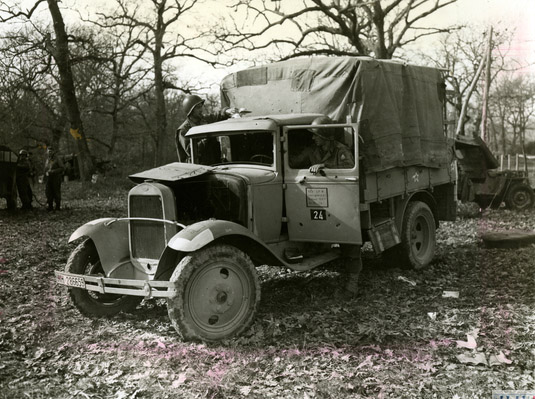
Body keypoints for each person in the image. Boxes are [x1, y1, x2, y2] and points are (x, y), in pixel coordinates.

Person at [175, 95, 233, 163]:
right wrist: (204, 140)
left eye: (201, 106)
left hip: (214, 163)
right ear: (191, 111)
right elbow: (190, 151)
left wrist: (226, 111)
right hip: (197, 167)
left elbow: (217, 116)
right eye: (198, 107)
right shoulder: (183, 130)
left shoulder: (205, 120)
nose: (201, 109)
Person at [44, 146, 64, 211]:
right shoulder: (47, 160)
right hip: (48, 178)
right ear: (47, 152)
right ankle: (50, 206)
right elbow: (46, 169)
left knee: (56, 192)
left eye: (51, 151)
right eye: (48, 151)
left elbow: (62, 168)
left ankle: (58, 207)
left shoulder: (57, 159)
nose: (49, 153)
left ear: (53, 152)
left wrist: (53, 171)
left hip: (56, 178)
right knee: (48, 192)